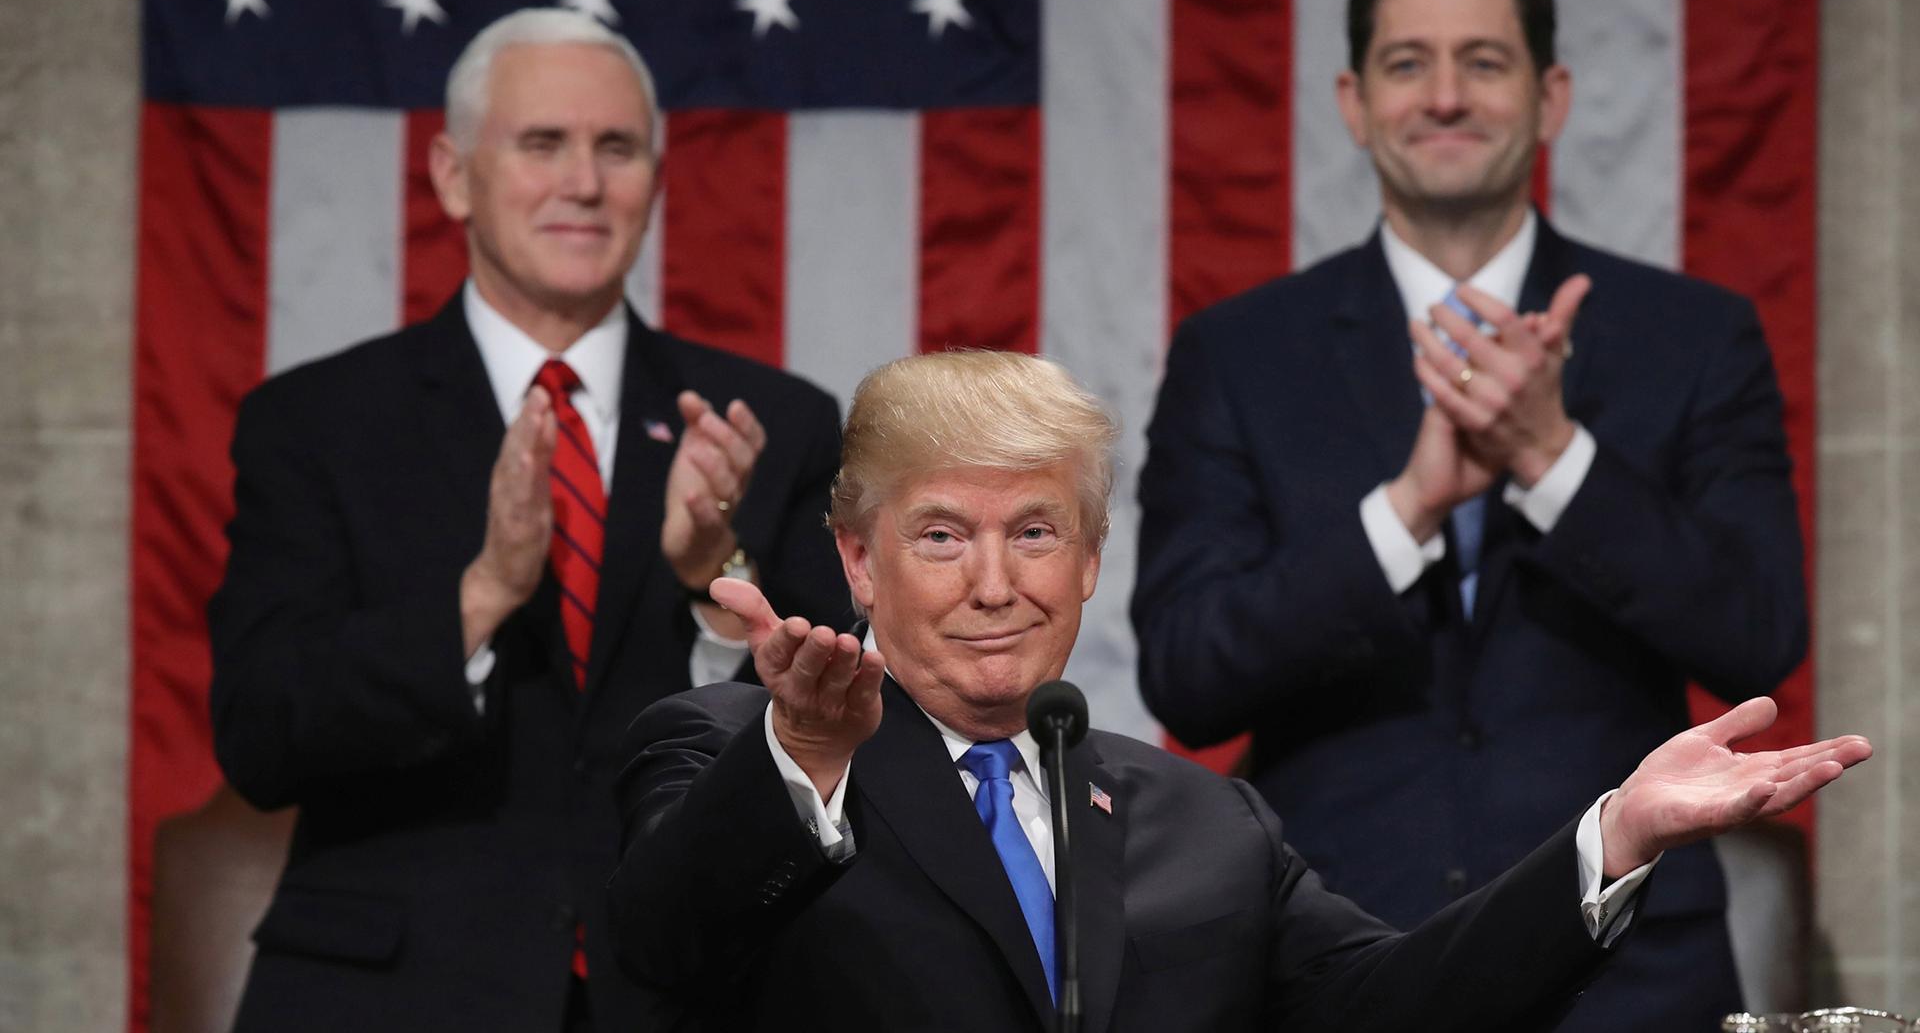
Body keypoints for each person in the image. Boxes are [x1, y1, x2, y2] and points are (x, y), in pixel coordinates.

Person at [607, 351, 1863, 1032]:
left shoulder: (1207, 825)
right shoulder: (733, 753)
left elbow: (1399, 1008)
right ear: (856, 561)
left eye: (1036, 532)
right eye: (942, 536)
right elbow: (656, 952)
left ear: (1094, 561)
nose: (995, 582)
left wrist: (1617, 832)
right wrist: (803, 759)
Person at [1131, 0, 1808, 1026]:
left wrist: (1551, 455)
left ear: (1551, 97)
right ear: (1355, 103)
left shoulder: (1691, 335)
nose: (1445, 95)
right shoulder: (1240, 353)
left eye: (1484, 62)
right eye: (1409, 63)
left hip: (1628, 976)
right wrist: (1407, 510)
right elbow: (1187, 671)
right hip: (1338, 961)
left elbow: (1759, 633)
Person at [207, 9, 850, 1032]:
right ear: (454, 174)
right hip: (392, 994)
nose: (583, 183)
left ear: (655, 176)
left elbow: (848, 745)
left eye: (616, 148)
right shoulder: (318, 423)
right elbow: (261, 735)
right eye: (542, 144)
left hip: (685, 996)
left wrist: (715, 587)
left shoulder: (770, 425)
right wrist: (481, 596)